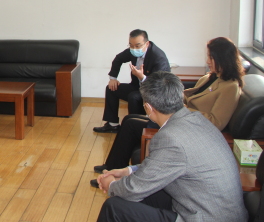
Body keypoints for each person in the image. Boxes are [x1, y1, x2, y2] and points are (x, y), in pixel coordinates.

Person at [91, 71, 247, 222]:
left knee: (113, 210)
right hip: (213, 214)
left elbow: (136, 188)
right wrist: (128, 171)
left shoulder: (170, 138)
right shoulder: (195, 119)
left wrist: (111, 184)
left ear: (148, 108)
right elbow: (162, 166)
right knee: (130, 196)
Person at [91, 37, 243, 184]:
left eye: (211, 57)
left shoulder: (230, 87)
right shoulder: (211, 77)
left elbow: (216, 123)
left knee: (131, 124)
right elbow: (187, 96)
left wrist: (182, 109)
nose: (208, 61)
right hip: (177, 118)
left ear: (222, 58)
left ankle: (113, 173)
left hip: (189, 127)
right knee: (129, 119)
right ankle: (112, 169)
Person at [93, 29, 170, 133]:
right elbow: (118, 58)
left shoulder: (158, 57)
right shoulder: (133, 51)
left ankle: (135, 129)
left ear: (147, 44)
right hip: (137, 87)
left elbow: (159, 84)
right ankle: (112, 125)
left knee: (133, 96)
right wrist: (113, 78)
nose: (134, 49)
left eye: (137, 46)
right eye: (131, 45)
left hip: (153, 92)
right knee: (111, 88)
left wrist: (142, 77)